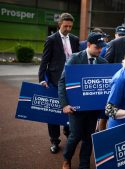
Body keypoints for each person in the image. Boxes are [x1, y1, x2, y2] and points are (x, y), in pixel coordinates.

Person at [58, 32, 108, 169]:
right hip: (75, 107)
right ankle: (66, 159)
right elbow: (62, 82)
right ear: (88, 45)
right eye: (97, 47)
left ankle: (84, 164)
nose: (100, 50)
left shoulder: (103, 62)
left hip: (93, 108)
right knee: (75, 136)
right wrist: (64, 104)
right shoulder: (74, 59)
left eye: (101, 47)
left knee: (88, 137)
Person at [38, 12, 79, 154]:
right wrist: (42, 79)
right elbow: (44, 61)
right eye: (65, 26)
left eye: (70, 26)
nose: (68, 28)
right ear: (59, 24)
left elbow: (78, 59)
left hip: (71, 81)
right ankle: (54, 141)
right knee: (54, 112)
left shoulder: (74, 39)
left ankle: (68, 131)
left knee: (70, 109)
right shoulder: (51, 39)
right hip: (55, 81)